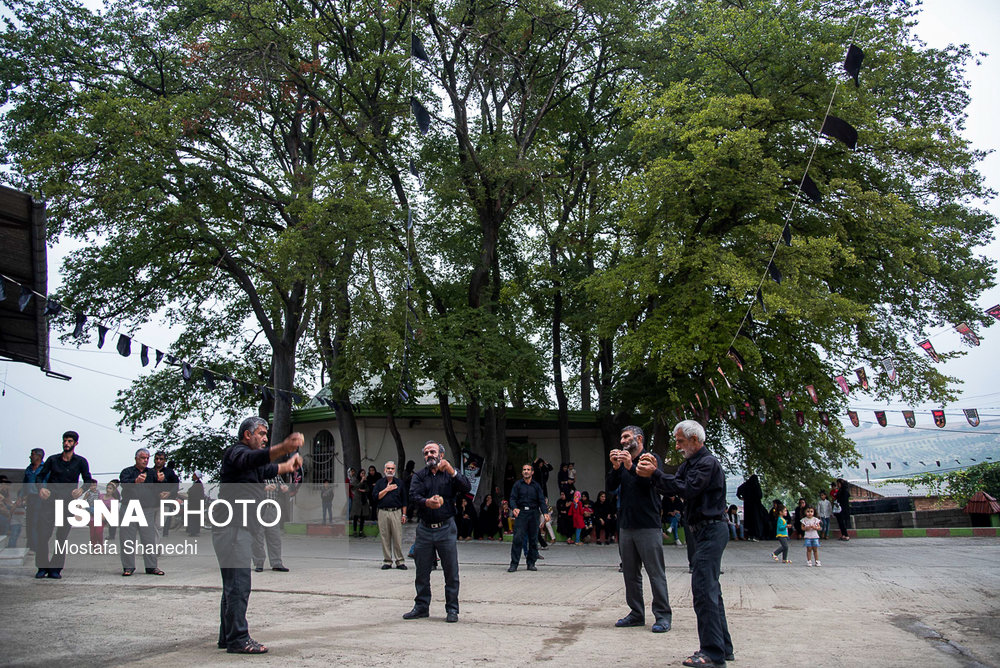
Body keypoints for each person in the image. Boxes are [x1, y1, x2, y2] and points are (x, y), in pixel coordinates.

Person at [640, 420, 734, 667]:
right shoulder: (690, 464)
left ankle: (712, 654)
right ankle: (723, 647)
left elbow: (687, 489)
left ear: (695, 440)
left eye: (681, 441)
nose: (678, 445)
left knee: (703, 590)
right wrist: (651, 474)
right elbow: (672, 486)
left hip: (712, 530)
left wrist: (656, 474)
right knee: (712, 590)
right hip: (700, 531)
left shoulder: (707, 463)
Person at [214, 416, 303, 654]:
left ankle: (227, 636)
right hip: (232, 527)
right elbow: (254, 459)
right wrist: (283, 448)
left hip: (237, 527)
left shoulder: (249, 462)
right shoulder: (237, 452)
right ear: (247, 435)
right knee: (239, 585)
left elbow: (266, 468)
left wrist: (287, 466)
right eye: (262, 434)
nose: (265, 438)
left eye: (266, 435)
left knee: (232, 585)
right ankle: (238, 639)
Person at [608, 425, 672, 634]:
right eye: (621, 437)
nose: (623, 441)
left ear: (639, 438)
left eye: (626, 436)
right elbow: (610, 487)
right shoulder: (623, 463)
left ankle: (662, 615)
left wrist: (629, 467)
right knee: (630, 573)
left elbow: (648, 485)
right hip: (626, 524)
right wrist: (616, 468)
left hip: (647, 524)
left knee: (655, 573)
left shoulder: (649, 459)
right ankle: (636, 613)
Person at [403, 440, 470, 624]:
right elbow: (413, 496)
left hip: (446, 528)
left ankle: (452, 609)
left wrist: (451, 470)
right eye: (426, 453)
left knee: (451, 571)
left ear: (441, 454)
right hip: (424, 529)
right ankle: (421, 607)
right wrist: (427, 502)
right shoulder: (419, 475)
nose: (429, 455)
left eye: (432, 452)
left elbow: (467, 488)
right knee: (422, 571)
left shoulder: (449, 474)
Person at [34, 431, 95, 579]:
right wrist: (41, 488)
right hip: (50, 501)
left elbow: (88, 480)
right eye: (65, 441)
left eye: (69, 441)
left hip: (68, 502)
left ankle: (55, 569)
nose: (66, 444)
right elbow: (40, 476)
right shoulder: (52, 460)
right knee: (43, 535)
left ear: (75, 443)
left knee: (61, 537)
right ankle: (42, 567)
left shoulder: (80, 461)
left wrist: (81, 489)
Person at [119, 448, 165, 576]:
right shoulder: (127, 471)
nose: (145, 460)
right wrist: (135, 481)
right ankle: (128, 567)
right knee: (127, 539)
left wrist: (161, 481)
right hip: (129, 507)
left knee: (149, 539)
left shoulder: (152, 473)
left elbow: (160, 488)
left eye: (147, 458)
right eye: (142, 458)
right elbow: (124, 483)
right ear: (136, 458)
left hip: (146, 509)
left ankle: (151, 567)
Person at [507, 463, 548, 572]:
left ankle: (531, 563)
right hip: (521, 514)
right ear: (522, 472)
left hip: (534, 513)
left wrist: (545, 513)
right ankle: (514, 564)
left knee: (533, 539)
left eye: (528, 469)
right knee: (517, 538)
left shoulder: (536, 486)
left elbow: (541, 501)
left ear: (532, 472)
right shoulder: (517, 485)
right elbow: (512, 498)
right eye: (524, 469)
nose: (526, 471)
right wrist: (514, 507)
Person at [373, 461, 408, 569]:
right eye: (388, 468)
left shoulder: (399, 483)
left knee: (397, 537)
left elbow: (404, 500)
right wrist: (386, 489)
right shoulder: (379, 483)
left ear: (395, 470)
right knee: (385, 537)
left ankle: (400, 561)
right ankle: (387, 561)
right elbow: (375, 497)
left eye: (392, 469)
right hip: (383, 512)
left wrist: (404, 515)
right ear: (384, 470)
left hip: (396, 512)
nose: (390, 470)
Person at [251, 473, 288, 572]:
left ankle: (276, 563)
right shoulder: (256, 474)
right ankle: (259, 563)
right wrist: (265, 487)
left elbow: (283, 485)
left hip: (272, 508)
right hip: (259, 508)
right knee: (258, 538)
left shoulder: (275, 475)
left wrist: (284, 488)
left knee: (275, 537)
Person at [22, 447, 46, 553]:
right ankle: (30, 545)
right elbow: (24, 484)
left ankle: (35, 547)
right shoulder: (29, 468)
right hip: (30, 497)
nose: (30, 457)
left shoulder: (45, 468)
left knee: (37, 522)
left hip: (41, 498)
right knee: (29, 521)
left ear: (39, 456)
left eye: (32, 454)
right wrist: (21, 496)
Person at [152, 451, 180, 537]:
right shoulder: (150, 472)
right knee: (150, 526)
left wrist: (170, 493)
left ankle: (156, 548)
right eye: (157, 459)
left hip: (165, 503)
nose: (159, 461)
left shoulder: (170, 472)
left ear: (165, 461)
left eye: (161, 459)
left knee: (159, 526)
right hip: (152, 503)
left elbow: (176, 485)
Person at [735, 474, 767, 542]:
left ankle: (750, 535)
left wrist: (741, 498)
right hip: (756, 506)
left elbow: (738, 491)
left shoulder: (745, 485)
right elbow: (760, 495)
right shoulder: (756, 485)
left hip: (747, 505)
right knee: (756, 521)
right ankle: (756, 535)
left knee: (749, 520)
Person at [351, 469, 370, 538]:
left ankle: (361, 531)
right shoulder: (356, 480)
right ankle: (355, 531)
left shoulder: (366, 481)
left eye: (364, 473)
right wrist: (361, 481)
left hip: (363, 500)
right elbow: (355, 488)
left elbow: (368, 489)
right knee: (356, 516)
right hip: (357, 501)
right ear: (359, 474)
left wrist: (364, 490)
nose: (363, 475)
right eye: (362, 473)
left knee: (363, 517)